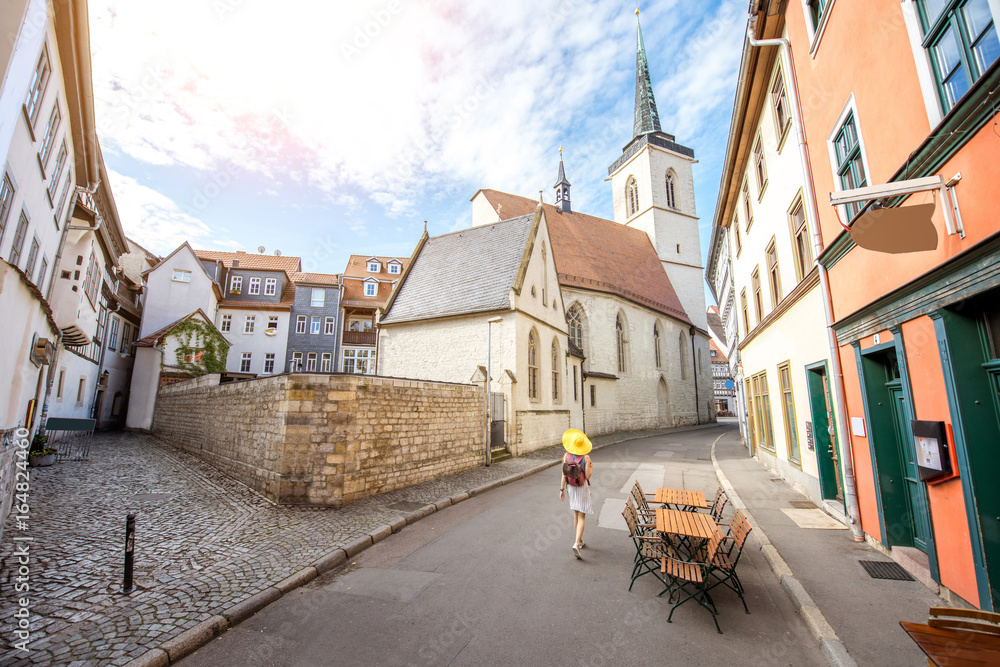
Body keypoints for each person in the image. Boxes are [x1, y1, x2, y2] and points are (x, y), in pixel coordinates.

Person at [559, 429, 593, 559]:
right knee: (582, 516)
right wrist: (590, 467)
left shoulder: (566, 456)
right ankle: (577, 543)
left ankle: (579, 540)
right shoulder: (586, 458)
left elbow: (563, 474)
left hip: (571, 488)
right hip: (582, 487)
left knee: (575, 514)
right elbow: (588, 476)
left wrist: (561, 490)